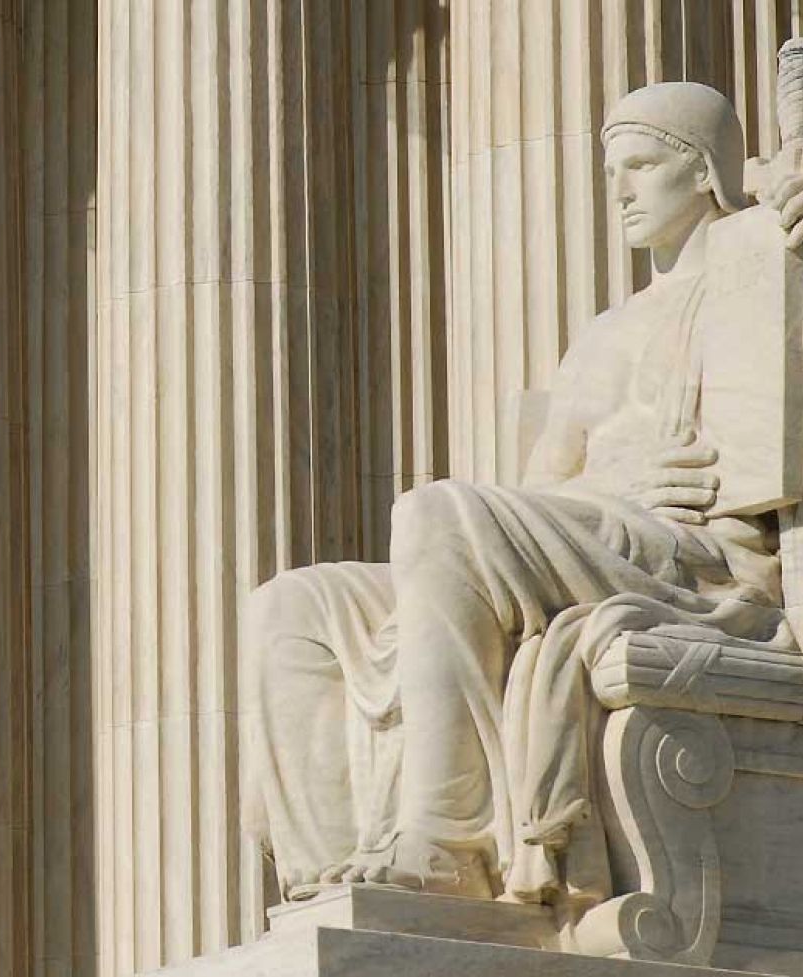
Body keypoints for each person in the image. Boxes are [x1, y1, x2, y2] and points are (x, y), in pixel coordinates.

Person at [242, 81, 803, 908]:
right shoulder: (606, 334)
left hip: (701, 561)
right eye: (614, 168)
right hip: (598, 536)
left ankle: (447, 838)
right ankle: (338, 887)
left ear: (706, 173)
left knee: (435, 512)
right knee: (295, 604)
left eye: (643, 165)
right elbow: (545, 488)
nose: (619, 191)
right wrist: (614, 483)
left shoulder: (762, 269)